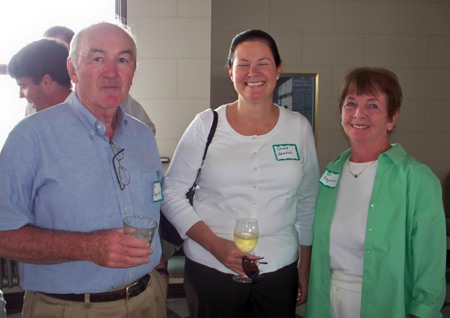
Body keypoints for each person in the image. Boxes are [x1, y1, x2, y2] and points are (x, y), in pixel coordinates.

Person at [0, 22, 167, 318]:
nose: (112, 72)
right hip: (69, 308)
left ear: (133, 71)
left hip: (147, 300)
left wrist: (159, 274)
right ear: (73, 70)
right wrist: (88, 247)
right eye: (97, 58)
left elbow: (155, 209)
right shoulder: (30, 137)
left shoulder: (143, 137)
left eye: (123, 60)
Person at [161, 29, 320, 317]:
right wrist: (216, 246)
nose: (253, 72)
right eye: (243, 63)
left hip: (278, 272)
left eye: (263, 63)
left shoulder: (299, 128)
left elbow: (308, 201)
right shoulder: (206, 125)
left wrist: (304, 270)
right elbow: (171, 193)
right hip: (212, 268)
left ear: (278, 69)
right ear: (230, 71)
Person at [306, 67, 446, 318]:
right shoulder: (332, 172)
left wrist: (422, 313)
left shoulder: (417, 179)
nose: (359, 114)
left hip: (386, 304)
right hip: (327, 299)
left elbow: (430, 264)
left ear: (392, 118)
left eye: (373, 105)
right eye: (351, 104)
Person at [24, 25, 157, 135]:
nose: (111, 73)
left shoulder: (115, 96)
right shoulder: (33, 106)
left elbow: (146, 133)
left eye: (122, 60)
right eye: (47, 52)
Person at [8, 38, 72, 112]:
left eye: (23, 87)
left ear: (46, 82)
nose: (21, 96)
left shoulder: (84, 113)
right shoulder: (32, 109)